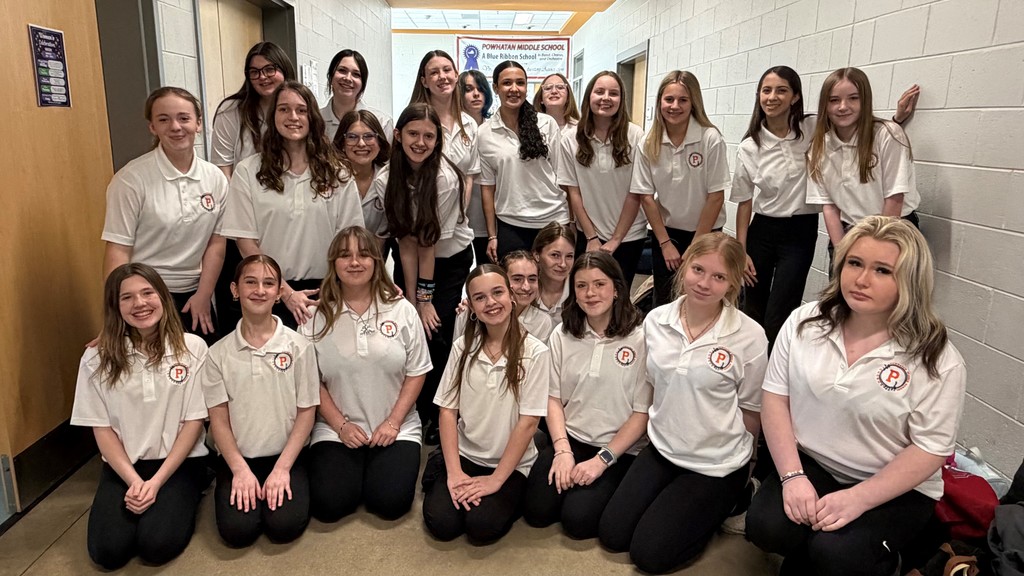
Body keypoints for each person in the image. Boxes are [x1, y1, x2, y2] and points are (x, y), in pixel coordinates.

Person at [746, 216, 966, 576]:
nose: (862, 280)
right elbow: (775, 398)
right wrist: (792, 476)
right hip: (817, 464)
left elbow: (931, 449)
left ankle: (891, 557)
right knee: (766, 527)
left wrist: (859, 498)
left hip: (892, 486)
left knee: (838, 555)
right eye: (854, 263)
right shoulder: (805, 323)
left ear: (909, 281)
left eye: (882, 270)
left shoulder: (937, 358)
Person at [599, 233, 768, 574]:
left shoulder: (749, 337)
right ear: (684, 268)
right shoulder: (657, 321)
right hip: (662, 448)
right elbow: (648, 388)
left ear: (733, 282)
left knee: (650, 554)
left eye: (719, 277)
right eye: (698, 270)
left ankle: (737, 497)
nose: (704, 283)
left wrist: (747, 466)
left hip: (715, 464)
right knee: (612, 535)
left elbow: (751, 410)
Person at [733, 66, 920, 350]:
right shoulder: (764, 144)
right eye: (767, 90)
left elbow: (866, 138)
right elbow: (825, 204)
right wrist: (741, 248)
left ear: (796, 97)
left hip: (849, 230)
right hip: (788, 229)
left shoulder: (812, 131)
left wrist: (895, 121)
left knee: (786, 308)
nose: (773, 97)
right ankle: (754, 363)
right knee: (762, 305)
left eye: (782, 90)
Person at [72, 263, 209, 569]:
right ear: (115, 306)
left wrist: (157, 482)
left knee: (156, 546)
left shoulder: (193, 348)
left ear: (163, 296)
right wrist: (135, 481)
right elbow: (102, 429)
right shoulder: (96, 357)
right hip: (125, 466)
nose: (140, 304)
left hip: (179, 463)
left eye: (147, 292)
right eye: (127, 298)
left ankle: (191, 491)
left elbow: (194, 421)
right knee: (107, 552)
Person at [301, 227, 431, 522]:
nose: (355, 262)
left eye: (364, 254)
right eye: (345, 255)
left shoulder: (401, 310)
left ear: (377, 261)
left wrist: (393, 422)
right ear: (333, 263)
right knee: (329, 506)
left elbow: (417, 371)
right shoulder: (315, 317)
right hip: (336, 429)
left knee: (389, 505)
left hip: (396, 426)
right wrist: (341, 425)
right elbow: (311, 380)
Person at [523, 252, 650, 539]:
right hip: (572, 438)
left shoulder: (641, 338)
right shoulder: (563, 334)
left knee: (577, 521)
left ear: (617, 289)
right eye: (581, 286)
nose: (590, 293)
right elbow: (552, 399)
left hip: (618, 449)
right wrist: (563, 450)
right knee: (537, 512)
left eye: (599, 284)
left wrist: (602, 460)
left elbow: (642, 413)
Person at [422, 264, 550, 544]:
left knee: (481, 527)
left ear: (511, 296)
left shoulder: (536, 352)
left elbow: (529, 423)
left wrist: (495, 480)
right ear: (471, 306)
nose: (490, 303)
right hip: (466, 455)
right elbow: (447, 411)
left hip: (510, 464)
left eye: (497, 293)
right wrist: (454, 473)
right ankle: (441, 467)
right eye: (480, 297)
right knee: (442, 524)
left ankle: (512, 490)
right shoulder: (462, 347)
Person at [222, 81, 364, 329]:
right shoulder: (249, 171)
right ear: (273, 116)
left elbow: (349, 240)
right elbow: (246, 242)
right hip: (270, 292)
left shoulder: (337, 172)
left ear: (312, 116)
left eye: (301, 110)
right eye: (284, 109)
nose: (293, 117)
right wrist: (284, 293)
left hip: (328, 291)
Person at [200, 254, 319, 547]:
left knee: (283, 527)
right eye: (250, 282)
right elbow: (219, 420)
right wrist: (239, 470)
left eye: (268, 283)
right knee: (238, 533)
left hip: (287, 456)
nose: (259, 290)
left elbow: (307, 412)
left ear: (280, 293)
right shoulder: (217, 354)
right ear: (234, 289)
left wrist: (282, 469)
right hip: (238, 458)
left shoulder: (299, 347)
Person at [374, 102, 474, 444]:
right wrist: (413, 299)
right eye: (413, 134)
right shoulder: (386, 178)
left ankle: (439, 409)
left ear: (438, 140)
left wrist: (425, 300)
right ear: (398, 136)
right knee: (411, 324)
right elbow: (404, 242)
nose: (420, 142)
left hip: (449, 258)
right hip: (412, 258)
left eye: (429, 136)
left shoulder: (446, 179)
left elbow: (429, 243)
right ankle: (411, 402)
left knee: (436, 327)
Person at [101, 87, 227, 343]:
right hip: (145, 297)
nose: (175, 127)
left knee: (203, 373)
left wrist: (204, 295)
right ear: (152, 127)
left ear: (198, 123)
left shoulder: (215, 178)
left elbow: (216, 243)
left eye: (183, 118)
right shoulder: (131, 180)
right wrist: (112, 318)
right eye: (163, 119)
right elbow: (118, 251)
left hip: (194, 296)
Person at [210, 41, 295, 336]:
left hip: (280, 217)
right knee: (244, 306)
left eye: (270, 69)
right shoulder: (231, 111)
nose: (263, 77)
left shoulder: (295, 110)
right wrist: (245, 213)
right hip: (242, 221)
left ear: (284, 70)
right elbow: (223, 170)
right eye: (254, 71)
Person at [630, 70, 729, 307]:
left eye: (683, 100)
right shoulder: (649, 141)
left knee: (701, 298)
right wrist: (665, 244)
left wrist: (696, 245)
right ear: (659, 102)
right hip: (667, 235)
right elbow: (646, 196)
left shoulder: (709, 138)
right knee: (664, 300)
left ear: (693, 102)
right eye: (669, 99)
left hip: (707, 233)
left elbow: (715, 197)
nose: (675, 106)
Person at [807, 67, 920, 251]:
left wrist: (877, 251)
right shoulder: (819, 147)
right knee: (843, 278)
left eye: (853, 98)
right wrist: (841, 251)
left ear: (865, 100)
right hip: (849, 230)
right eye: (834, 100)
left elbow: (895, 198)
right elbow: (830, 207)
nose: (843, 106)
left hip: (893, 227)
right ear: (825, 105)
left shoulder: (888, 134)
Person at [558, 71, 647, 288]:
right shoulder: (571, 138)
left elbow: (636, 192)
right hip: (589, 236)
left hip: (629, 235)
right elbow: (574, 193)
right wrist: (591, 237)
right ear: (589, 96)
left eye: (613, 93)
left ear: (621, 100)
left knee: (619, 296)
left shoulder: (636, 136)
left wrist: (616, 239)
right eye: (599, 92)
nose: (606, 98)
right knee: (587, 295)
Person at [479, 60, 569, 262]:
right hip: (511, 224)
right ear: (495, 88)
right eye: (507, 83)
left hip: (552, 221)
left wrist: (570, 222)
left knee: (554, 286)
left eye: (520, 83)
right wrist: (492, 235)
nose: (514, 89)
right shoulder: (484, 133)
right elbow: (487, 188)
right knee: (518, 289)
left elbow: (562, 174)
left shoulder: (546, 123)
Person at [454, 250, 555, 342]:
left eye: (532, 279)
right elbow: (458, 357)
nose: (526, 287)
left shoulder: (543, 322)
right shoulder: (466, 314)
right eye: (517, 279)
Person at [332, 110, 391, 246]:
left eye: (369, 136)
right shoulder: (331, 179)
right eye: (352, 137)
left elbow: (382, 235)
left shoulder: (388, 179)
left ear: (379, 141)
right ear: (342, 143)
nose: (361, 144)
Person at [460, 68, 495, 265]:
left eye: (481, 89)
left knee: (487, 268)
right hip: (459, 211)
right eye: (469, 89)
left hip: (488, 213)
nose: (476, 94)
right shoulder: (452, 128)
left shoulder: (495, 127)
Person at [321, 49, 393, 143]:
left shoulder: (382, 123)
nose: (348, 78)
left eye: (356, 74)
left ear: (363, 84)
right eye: (342, 70)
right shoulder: (315, 120)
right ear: (330, 76)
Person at [532, 222, 576, 326]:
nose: (563, 264)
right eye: (555, 255)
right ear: (537, 255)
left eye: (569, 256)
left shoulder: (580, 292)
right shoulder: (524, 290)